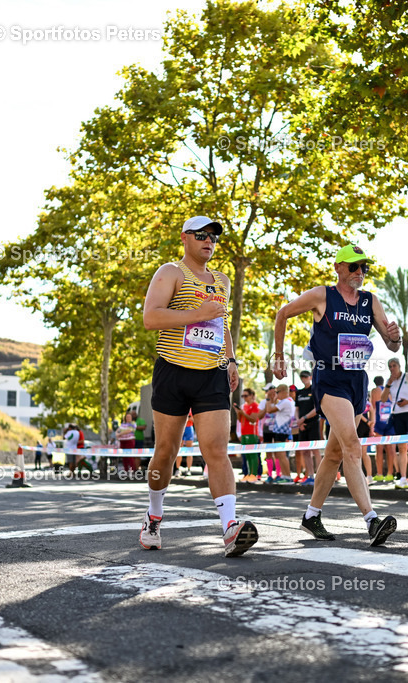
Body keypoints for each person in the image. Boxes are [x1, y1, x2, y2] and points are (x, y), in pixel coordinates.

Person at [140, 215, 257, 557]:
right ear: (185, 238)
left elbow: (221, 323)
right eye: (202, 235)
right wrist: (198, 313)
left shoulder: (222, 280)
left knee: (217, 450)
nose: (209, 241)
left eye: (214, 237)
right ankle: (154, 516)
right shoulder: (170, 272)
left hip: (211, 373)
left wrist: (231, 360)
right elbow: (152, 318)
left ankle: (230, 529)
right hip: (173, 371)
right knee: (166, 453)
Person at [273, 244, 401, 546]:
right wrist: (278, 356)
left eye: (364, 267)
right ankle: (372, 521)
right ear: (339, 267)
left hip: (357, 380)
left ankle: (311, 515)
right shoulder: (322, 295)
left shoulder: (371, 301)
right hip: (329, 378)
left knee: (334, 453)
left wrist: (396, 337)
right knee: (353, 446)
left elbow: (392, 343)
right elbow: (283, 314)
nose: (360, 272)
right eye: (354, 266)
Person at [381, 358, 408, 490]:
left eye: (394, 365)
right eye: (390, 366)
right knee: (402, 447)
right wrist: (388, 383)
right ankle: (403, 477)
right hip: (398, 415)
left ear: (399, 366)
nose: (392, 368)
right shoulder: (390, 382)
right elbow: (383, 399)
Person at [263, 384, 296, 482]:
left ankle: (287, 476)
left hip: (282, 430)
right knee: (280, 454)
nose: (276, 395)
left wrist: (268, 399)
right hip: (282, 430)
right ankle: (285, 476)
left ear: (283, 392)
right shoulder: (287, 402)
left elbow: (269, 410)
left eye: (277, 392)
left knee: (281, 454)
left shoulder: (285, 401)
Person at [294, 370, 320, 485]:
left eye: (305, 377)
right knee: (305, 451)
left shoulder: (314, 390)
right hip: (302, 425)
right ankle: (310, 475)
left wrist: (304, 418)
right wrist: (299, 422)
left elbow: (317, 409)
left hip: (313, 423)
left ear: (310, 377)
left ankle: (320, 475)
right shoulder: (299, 393)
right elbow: (297, 409)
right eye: (302, 377)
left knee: (315, 450)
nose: (303, 379)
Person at [234, 388, 262, 482]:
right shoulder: (243, 406)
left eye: (246, 395)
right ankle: (248, 474)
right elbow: (239, 419)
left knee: (253, 454)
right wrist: (238, 412)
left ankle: (254, 474)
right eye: (243, 396)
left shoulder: (255, 405)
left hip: (252, 433)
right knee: (247, 455)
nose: (244, 398)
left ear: (251, 395)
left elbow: (253, 419)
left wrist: (243, 413)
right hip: (244, 433)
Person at [370, 375, 394, 483]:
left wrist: (372, 424)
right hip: (389, 421)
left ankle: (379, 474)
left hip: (379, 421)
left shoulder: (374, 391)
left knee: (379, 449)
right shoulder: (389, 390)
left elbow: (373, 407)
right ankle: (390, 473)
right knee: (390, 449)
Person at [178, 412, 195, 476]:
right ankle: (178, 469)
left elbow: (194, 419)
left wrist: (189, 418)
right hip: (181, 427)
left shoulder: (192, 408)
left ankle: (189, 469)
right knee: (179, 449)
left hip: (189, 428)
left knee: (189, 450)